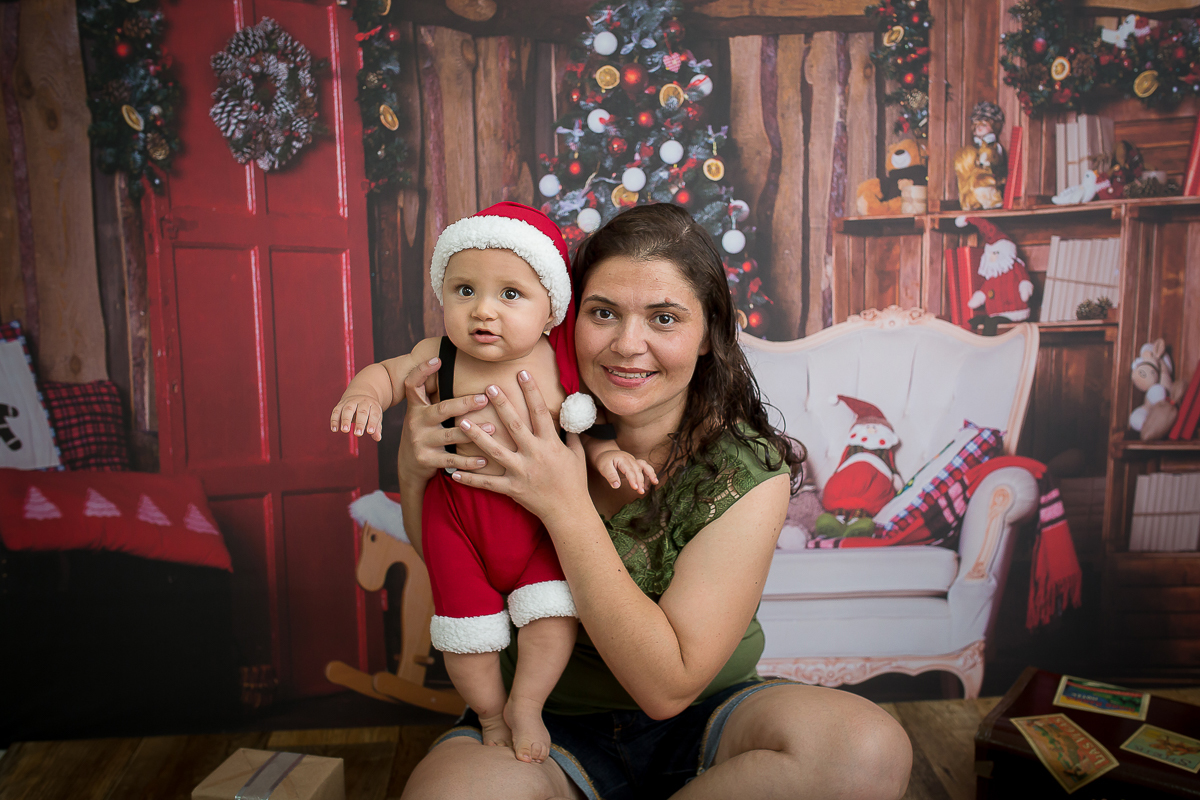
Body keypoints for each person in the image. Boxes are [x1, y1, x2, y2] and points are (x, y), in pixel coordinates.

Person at [394, 203, 913, 800]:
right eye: (603, 313)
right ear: (563, 317)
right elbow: (450, 545)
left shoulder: (744, 470)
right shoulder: (514, 417)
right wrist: (414, 470)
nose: (626, 344)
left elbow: (667, 688)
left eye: (664, 318)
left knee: (866, 752)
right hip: (539, 723)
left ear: (709, 336)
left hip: (707, 717)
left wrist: (565, 504)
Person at [331, 202, 656, 764]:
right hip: (456, 516)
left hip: (536, 529)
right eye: (464, 291)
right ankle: (487, 713)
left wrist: (607, 457)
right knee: (464, 628)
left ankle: (526, 705)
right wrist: (364, 394)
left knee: (554, 615)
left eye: (510, 294)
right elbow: (386, 374)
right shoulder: (439, 356)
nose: (483, 311)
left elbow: (588, 431)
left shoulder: (562, 368)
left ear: (551, 307)